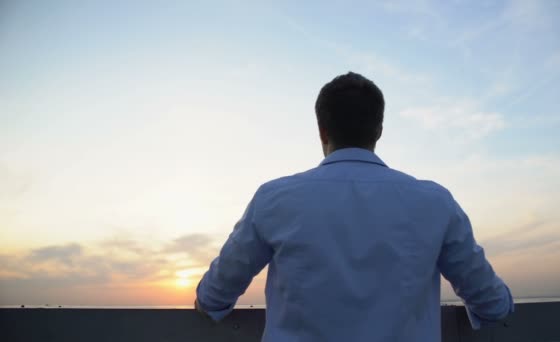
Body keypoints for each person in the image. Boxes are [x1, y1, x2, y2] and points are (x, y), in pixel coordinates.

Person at [195, 72, 514, 341]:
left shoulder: (275, 199)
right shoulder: (434, 201)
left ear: (322, 130)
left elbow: (214, 295)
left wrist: (208, 303)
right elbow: (492, 304)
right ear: (379, 130)